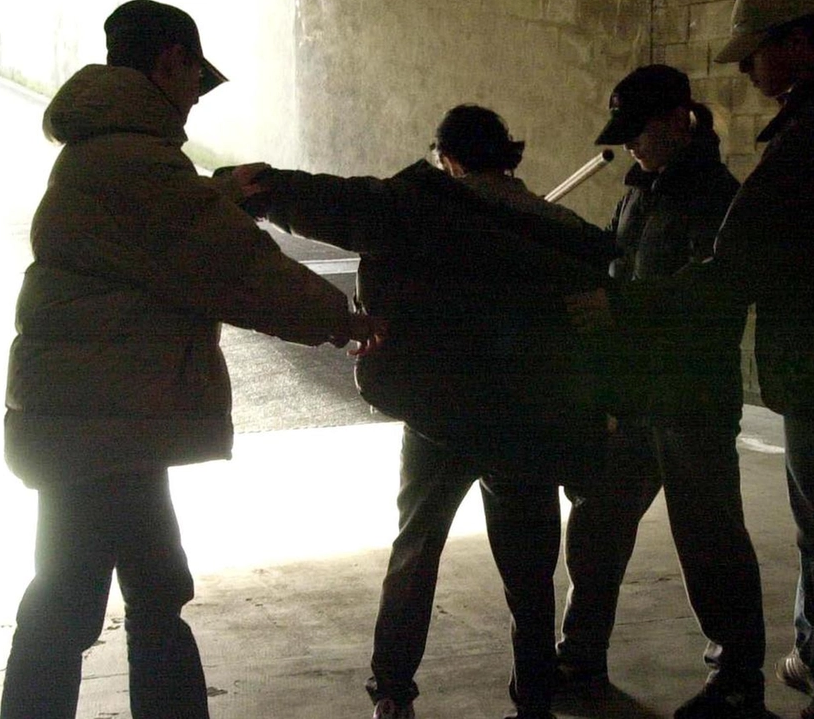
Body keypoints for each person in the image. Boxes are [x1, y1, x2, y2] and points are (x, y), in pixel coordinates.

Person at [0, 3, 385, 719]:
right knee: (93, 598)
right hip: (104, 422)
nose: (193, 96)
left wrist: (212, 195)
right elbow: (230, 266)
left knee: (113, 590)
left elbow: (153, 239)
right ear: (170, 61)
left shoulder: (104, 151)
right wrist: (341, 319)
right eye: (193, 79)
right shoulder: (138, 161)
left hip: (97, 417)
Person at [570, 2, 814, 717]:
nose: (744, 68)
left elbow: (732, 270)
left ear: (797, 42)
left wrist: (628, 307)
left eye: (753, 53)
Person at [231, 105, 614, 719]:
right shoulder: (555, 226)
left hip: (437, 416)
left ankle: (392, 693)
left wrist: (256, 186)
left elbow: (326, 201)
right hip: (525, 421)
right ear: (507, 155)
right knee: (530, 570)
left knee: (416, 547)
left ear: (448, 158)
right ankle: (535, 697)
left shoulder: (410, 206)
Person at [554, 65, 769, 719]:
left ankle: (738, 676)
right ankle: (579, 655)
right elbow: (616, 263)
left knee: (709, 537)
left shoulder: (717, 197)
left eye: (640, 131)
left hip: (690, 396)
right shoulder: (639, 192)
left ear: (682, 120)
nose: (632, 146)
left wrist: (620, 301)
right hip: (634, 396)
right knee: (595, 523)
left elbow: (714, 292)